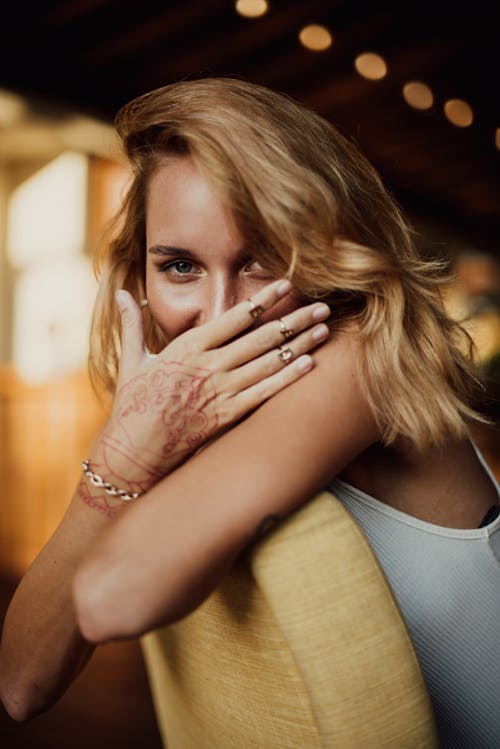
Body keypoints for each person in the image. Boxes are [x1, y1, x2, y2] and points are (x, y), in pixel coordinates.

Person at [0, 77, 499, 747]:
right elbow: (21, 683)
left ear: (325, 259)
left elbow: (108, 595)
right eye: (179, 265)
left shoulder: (358, 357)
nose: (221, 312)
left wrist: (129, 452)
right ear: (138, 278)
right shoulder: (194, 412)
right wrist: (124, 450)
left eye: (261, 260)